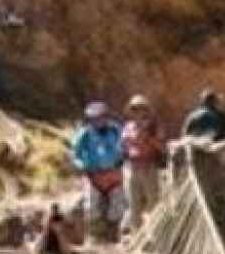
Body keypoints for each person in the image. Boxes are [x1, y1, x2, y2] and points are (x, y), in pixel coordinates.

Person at [69, 101, 126, 242]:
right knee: (91, 206)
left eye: (101, 117)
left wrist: (123, 157)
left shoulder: (116, 130)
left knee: (118, 206)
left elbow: (126, 144)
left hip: (114, 176)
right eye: (94, 118)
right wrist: (82, 165)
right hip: (93, 176)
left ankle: (113, 235)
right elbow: (75, 154)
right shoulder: (84, 134)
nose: (98, 120)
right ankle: (95, 237)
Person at [119, 94, 167, 235]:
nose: (138, 112)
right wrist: (130, 141)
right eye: (135, 109)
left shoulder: (155, 127)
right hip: (132, 167)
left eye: (141, 109)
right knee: (134, 204)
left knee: (154, 203)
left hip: (149, 166)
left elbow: (162, 147)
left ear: (146, 110)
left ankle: (156, 235)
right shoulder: (128, 127)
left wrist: (148, 138)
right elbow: (122, 145)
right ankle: (136, 236)